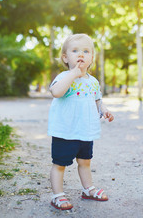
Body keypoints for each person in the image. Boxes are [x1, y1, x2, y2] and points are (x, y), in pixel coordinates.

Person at [48, 33, 114, 210]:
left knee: (85, 162)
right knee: (60, 163)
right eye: (75, 51)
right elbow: (56, 92)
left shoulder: (92, 81)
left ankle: (88, 189)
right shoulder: (63, 76)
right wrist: (73, 74)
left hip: (85, 130)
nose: (81, 55)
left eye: (86, 51)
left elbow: (97, 99)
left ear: (91, 57)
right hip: (66, 130)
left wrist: (104, 110)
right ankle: (58, 195)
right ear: (65, 57)